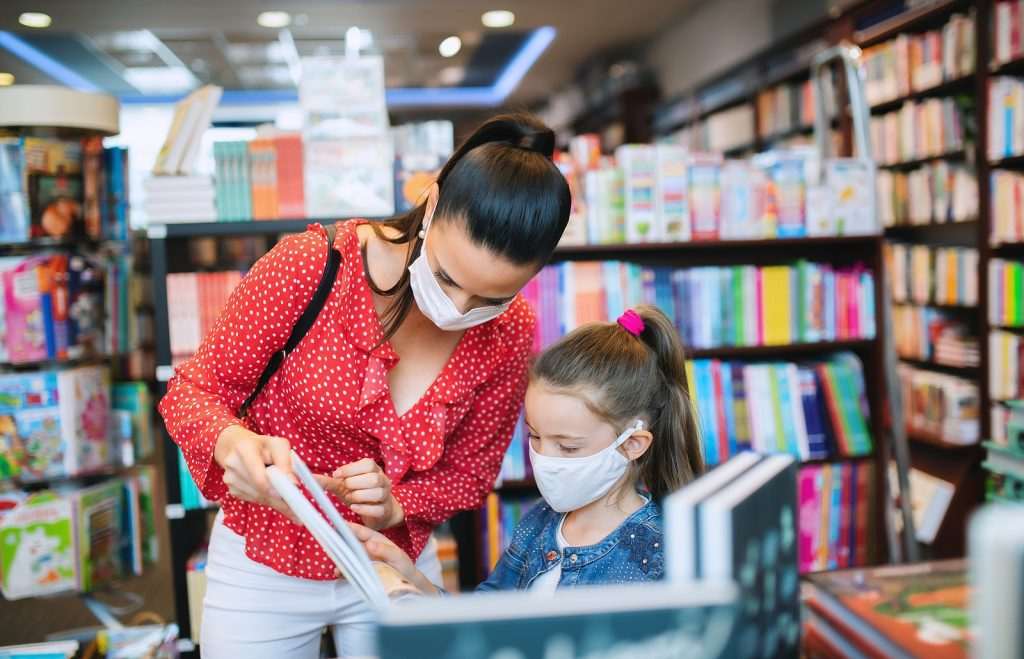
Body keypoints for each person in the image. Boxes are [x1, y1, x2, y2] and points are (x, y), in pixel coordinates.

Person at [157, 113, 571, 658]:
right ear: (433, 200)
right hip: (266, 558)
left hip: (393, 563)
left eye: (489, 299)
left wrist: (397, 504)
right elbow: (193, 389)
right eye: (447, 277)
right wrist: (233, 443)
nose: (457, 310)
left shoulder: (511, 330)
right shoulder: (313, 266)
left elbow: (471, 473)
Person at [352, 306, 705, 596]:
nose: (546, 459)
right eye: (535, 438)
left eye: (567, 447)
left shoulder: (662, 550)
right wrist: (407, 575)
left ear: (632, 444)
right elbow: (487, 621)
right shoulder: (541, 522)